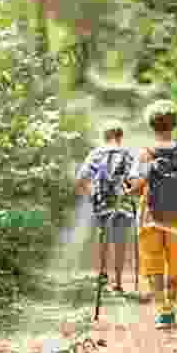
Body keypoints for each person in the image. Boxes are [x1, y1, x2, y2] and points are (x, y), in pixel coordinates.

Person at [124, 100, 177, 328]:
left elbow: (137, 184)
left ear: (152, 126)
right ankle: (173, 305)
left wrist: (130, 190)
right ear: (174, 125)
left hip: (150, 217)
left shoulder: (146, 153)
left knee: (153, 263)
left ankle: (163, 311)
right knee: (173, 264)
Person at [75, 120, 136, 292]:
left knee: (103, 238)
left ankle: (103, 274)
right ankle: (118, 283)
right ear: (120, 136)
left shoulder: (96, 153)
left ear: (105, 136)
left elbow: (81, 180)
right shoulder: (128, 154)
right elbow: (135, 180)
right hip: (122, 204)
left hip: (102, 203)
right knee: (120, 242)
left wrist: (91, 195)